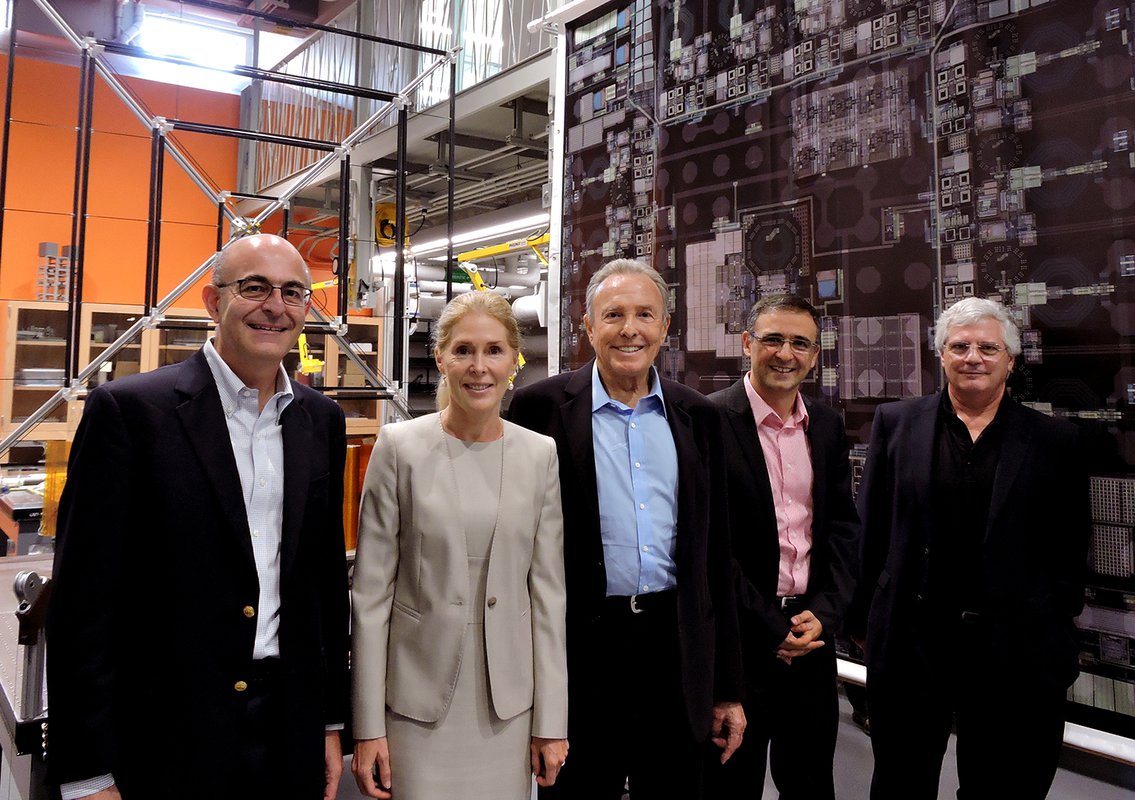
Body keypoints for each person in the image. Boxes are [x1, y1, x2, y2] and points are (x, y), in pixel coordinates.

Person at [47, 233, 350, 800]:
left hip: (286, 725)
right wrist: (87, 770)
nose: (275, 307)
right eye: (254, 287)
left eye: (292, 292)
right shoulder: (132, 411)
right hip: (166, 733)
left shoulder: (320, 420)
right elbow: (83, 602)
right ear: (213, 302)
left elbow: (323, 586)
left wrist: (330, 723)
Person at [508, 258, 746, 799]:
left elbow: (716, 558)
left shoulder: (698, 417)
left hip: (676, 647)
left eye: (645, 314)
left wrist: (728, 688)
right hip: (581, 649)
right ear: (588, 327)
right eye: (613, 314)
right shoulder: (538, 409)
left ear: (666, 326)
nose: (629, 329)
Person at [852, 296, 1090, 799]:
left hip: (1011, 649)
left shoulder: (1055, 440)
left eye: (987, 347)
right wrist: (863, 623)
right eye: (959, 346)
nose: (973, 357)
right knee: (901, 780)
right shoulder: (896, 423)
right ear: (941, 355)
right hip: (912, 641)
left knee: (1000, 785)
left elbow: (1070, 546)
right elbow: (870, 528)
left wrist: (1056, 629)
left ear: (1010, 359)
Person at [350, 290, 568, 800]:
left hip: (507, 708)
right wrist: (366, 725)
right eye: (463, 350)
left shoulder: (539, 455)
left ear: (514, 360)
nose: (479, 367)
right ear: (442, 356)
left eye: (494, 350)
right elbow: (371, 599)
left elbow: (548, 598)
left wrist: (552, 718)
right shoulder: (398, 447)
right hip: (415, 708)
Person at [706, 294, 859, 799]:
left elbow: (841, 529)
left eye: (799, 343)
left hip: (810, 641)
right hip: (738, 646)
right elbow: (707, 546)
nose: (785, 353)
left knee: (812, 784)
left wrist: (826, 613)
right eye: (772, 339)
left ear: (815, 355)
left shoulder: (828, 425)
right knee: (731, 786)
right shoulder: (706, 422)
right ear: (747, 343)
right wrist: (772, 626)